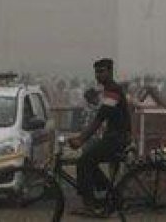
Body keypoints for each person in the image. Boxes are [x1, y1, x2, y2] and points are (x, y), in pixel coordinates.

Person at [68, 58, 132, 216]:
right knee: (89, 158)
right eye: (97, 72)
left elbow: (99, 119)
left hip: (116, 139)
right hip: (115, 137)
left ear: (110, 71)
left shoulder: (113, 90)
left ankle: (89, 205)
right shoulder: (109, 90)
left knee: (84, 162)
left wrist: (80, 139)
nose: (98, 75)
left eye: (102, 71)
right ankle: (109, 194)